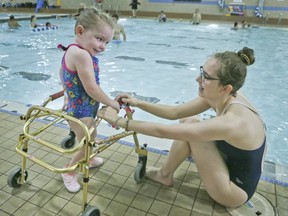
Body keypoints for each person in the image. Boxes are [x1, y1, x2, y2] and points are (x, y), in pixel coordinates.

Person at [98, 47, 267, 208]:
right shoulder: (226, 95)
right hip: (228, 165)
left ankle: (163, 174)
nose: (197, 79)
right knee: (189, 119)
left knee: (191, 127)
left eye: (206, 77)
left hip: (233, 191)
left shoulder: (233, 122)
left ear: (225, 88)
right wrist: (138, 102)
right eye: (202, 71)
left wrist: (118, 121)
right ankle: (165, 174)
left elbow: (163, 132)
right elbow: (175, 112)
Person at [59, 6, 120, 193]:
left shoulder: (72, 50)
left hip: (77, 107)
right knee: (88, 141)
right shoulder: (82, 54)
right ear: (80, 31)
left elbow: (62, 73)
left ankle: (89, 158)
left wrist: (66, 95)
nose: (102, 46)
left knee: (84, 140)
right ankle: (69, 172)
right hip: (81, 111)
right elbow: (91, 88)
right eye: (100, 39)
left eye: (107, 42)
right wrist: (111, 102)